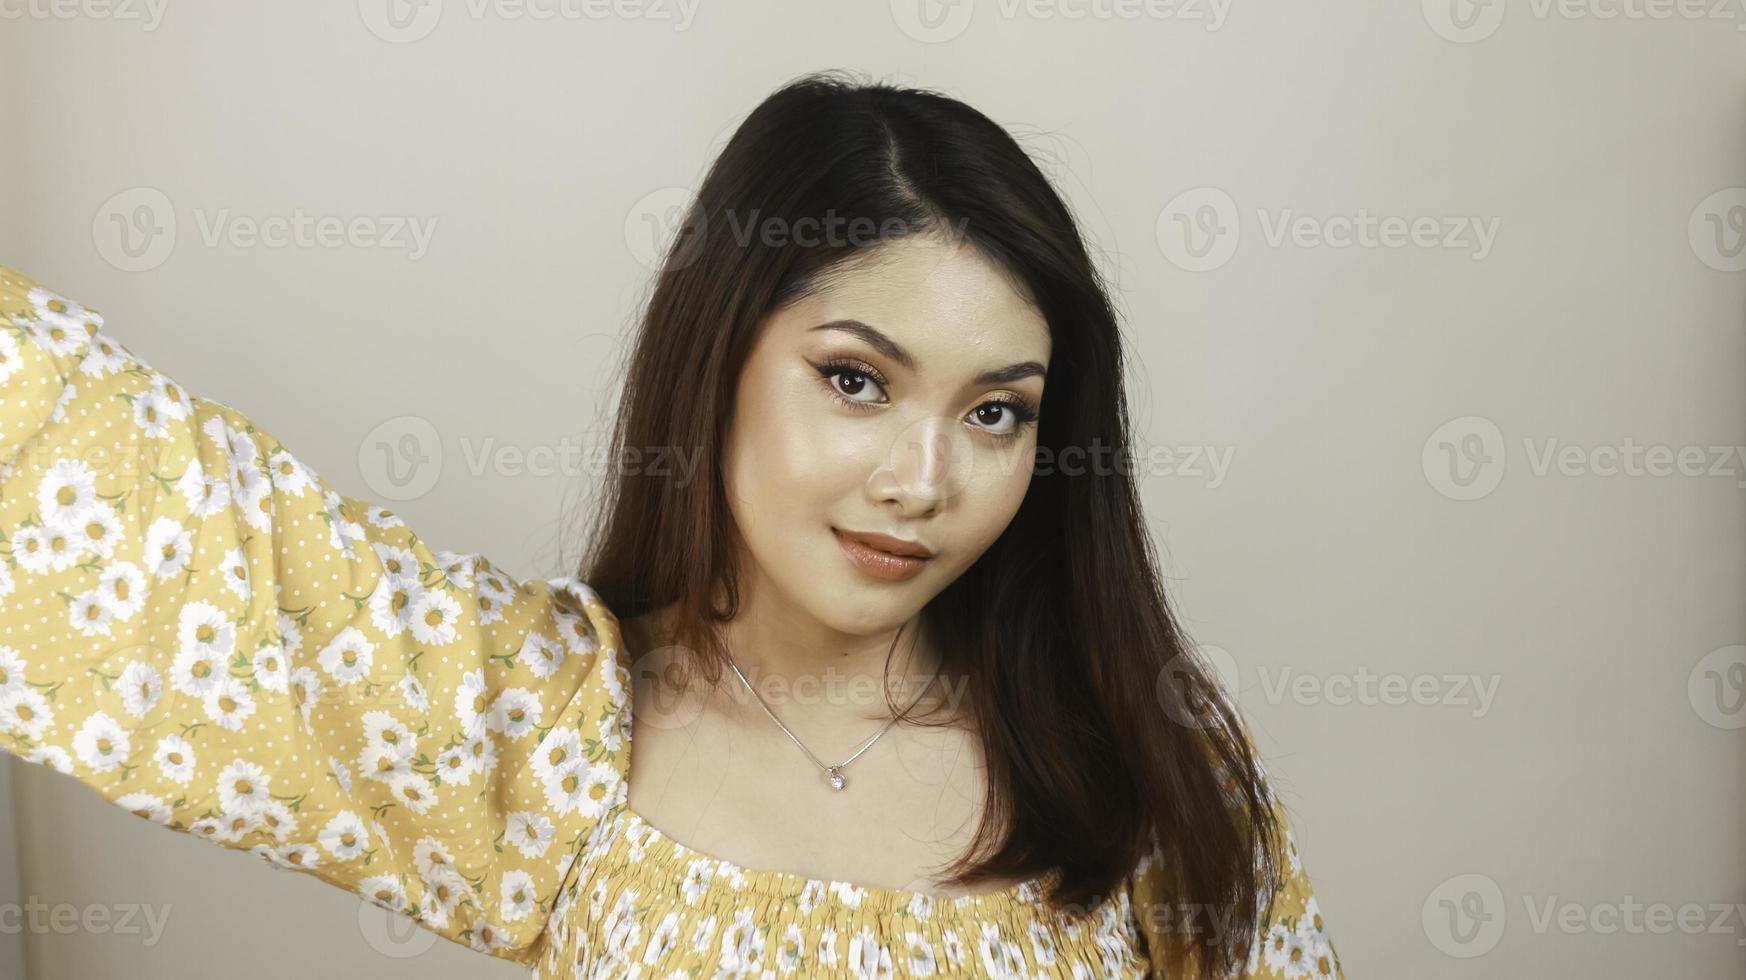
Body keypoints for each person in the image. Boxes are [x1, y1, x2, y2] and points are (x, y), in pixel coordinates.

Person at [0, 71, 1342, 978]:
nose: (922, 480)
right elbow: (148, 505)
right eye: (856, 382)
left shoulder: (1141, 773)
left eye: (996, 413)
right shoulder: (539, 730)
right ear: (719, 359)